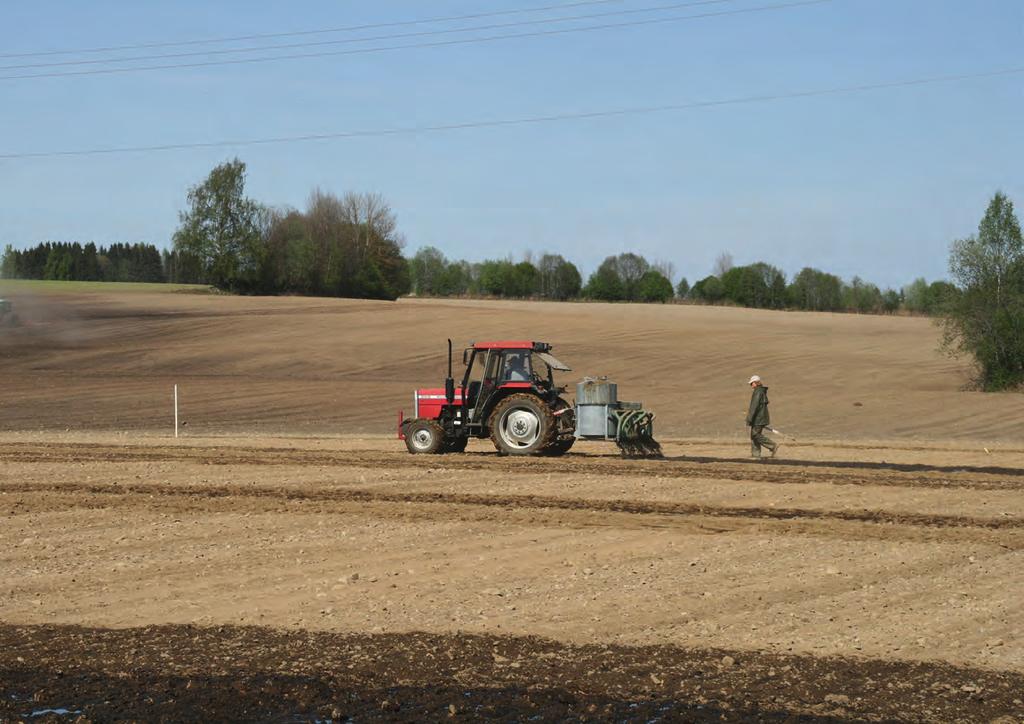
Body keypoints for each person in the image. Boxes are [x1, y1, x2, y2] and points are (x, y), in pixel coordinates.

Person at [746, 375, 779, 459]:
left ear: (755, 383)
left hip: (758, 418)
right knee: (754, 435)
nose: (751, 385)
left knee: (755, 434)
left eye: (751, 383)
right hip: (760, 417)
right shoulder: (761, 391)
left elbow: (754, 406)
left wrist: (749, 418)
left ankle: (772, 445)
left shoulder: (757, 392)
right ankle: (756, 455)